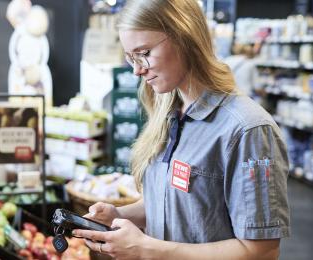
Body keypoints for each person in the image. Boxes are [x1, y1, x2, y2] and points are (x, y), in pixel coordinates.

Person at [73, 0, 291, 259]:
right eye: (131, 57)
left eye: (143, 53)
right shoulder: (168, 113)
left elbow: (261, 251)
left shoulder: (248, 130)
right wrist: (120, 215)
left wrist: (147, 250)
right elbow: (181, 203)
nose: (136, 69)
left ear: (183, 36)